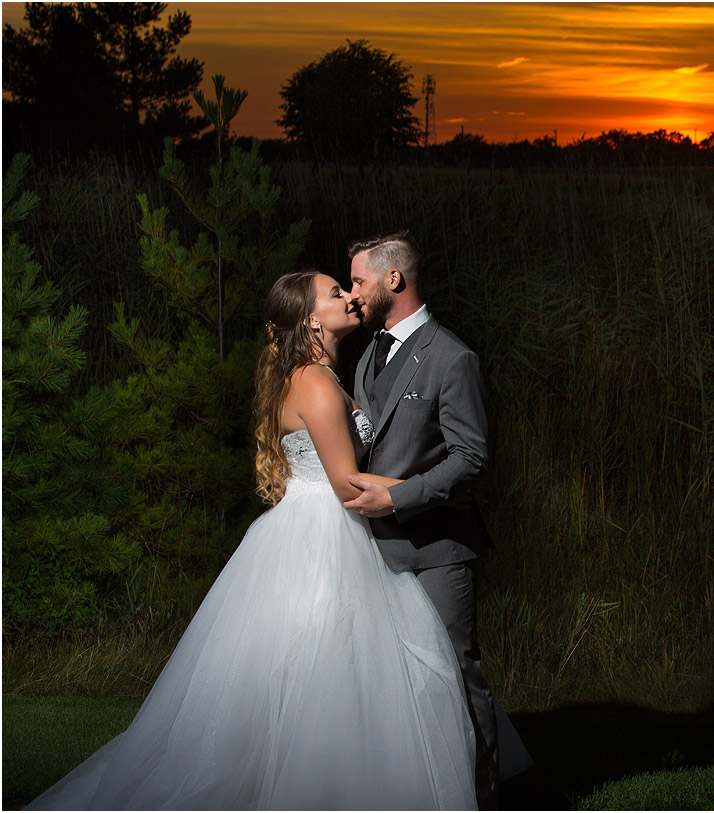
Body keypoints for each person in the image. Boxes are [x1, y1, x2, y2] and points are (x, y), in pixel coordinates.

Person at [27, 271, 477, 810]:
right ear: (311, 319)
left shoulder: (324, 375)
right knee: (333, 666)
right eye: (336, 293)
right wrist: (436, 492)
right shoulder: (314, 381)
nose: (349, 297)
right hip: (325, 533)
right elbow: (344, 484)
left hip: (305, 527)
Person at [341, 231, 504, 808]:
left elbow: (471, 456)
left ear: (394, 280)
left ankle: (482, 796)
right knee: (390, 686)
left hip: (437, 548)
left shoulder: (452, 357)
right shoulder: (367, 354)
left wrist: (401, 497)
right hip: (370, 553)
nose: (353, 294)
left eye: (359, 280)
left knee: (455, 676)